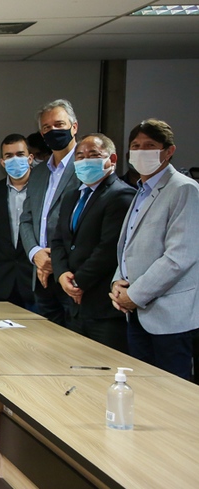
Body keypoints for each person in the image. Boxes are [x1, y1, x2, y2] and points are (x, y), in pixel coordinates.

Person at [110, 119, 199, 379]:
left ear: (169, 151)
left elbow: (179, 257)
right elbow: (129, 245)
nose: (141, 151)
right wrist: (118, 282)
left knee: (172, 392)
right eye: (136, 146)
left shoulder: (183, 189)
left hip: (170, 317)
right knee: (143, 388)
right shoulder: (141, 190)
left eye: (150, 145)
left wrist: (135, 295)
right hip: (138, 312)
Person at [51, 134, 134, 352]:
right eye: (80, 156)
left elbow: (108, 249)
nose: (85, 160)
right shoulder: (71, 196)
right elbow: (59, 240)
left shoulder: (121, 195)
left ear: (112, 159)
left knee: (106, 364)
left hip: (103, 306)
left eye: (93, 155)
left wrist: (78, 282)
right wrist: (61, 274)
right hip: (74, 304)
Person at [19, 99, 80, 326]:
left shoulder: (85, 167)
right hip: (42, 275)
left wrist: (58, 260)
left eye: (59, 124)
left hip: (73, 275)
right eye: (47, 127)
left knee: (75, 341)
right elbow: (26, 219)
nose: (53, 130)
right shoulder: (38, 173)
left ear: (74, 127)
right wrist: (36, 253)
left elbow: (88, 222)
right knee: (46, 340)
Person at [0, 134, 36, 311]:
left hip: (35, 279)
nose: (15, 160)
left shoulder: (43, 188)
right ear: (2, 162)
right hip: (4, 280)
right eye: (9, 156)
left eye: (20, 154)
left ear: (30, 158)